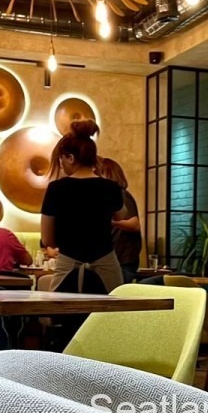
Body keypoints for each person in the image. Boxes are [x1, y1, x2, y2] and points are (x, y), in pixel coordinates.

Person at [39, 120, 124, 293]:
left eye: (62, 159)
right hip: (106, 267)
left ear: (70, 158)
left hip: (68, 267)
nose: (61, 164)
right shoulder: (111, 187)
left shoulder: (57, 189)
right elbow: (121, 216)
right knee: (112, 309)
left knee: (63, 309)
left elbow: (48, 240)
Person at [98, 157, 142, 284]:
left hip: (123, 260)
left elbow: (134, 224)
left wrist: (109, 222)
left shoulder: (121, 195)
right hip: (118, 260)